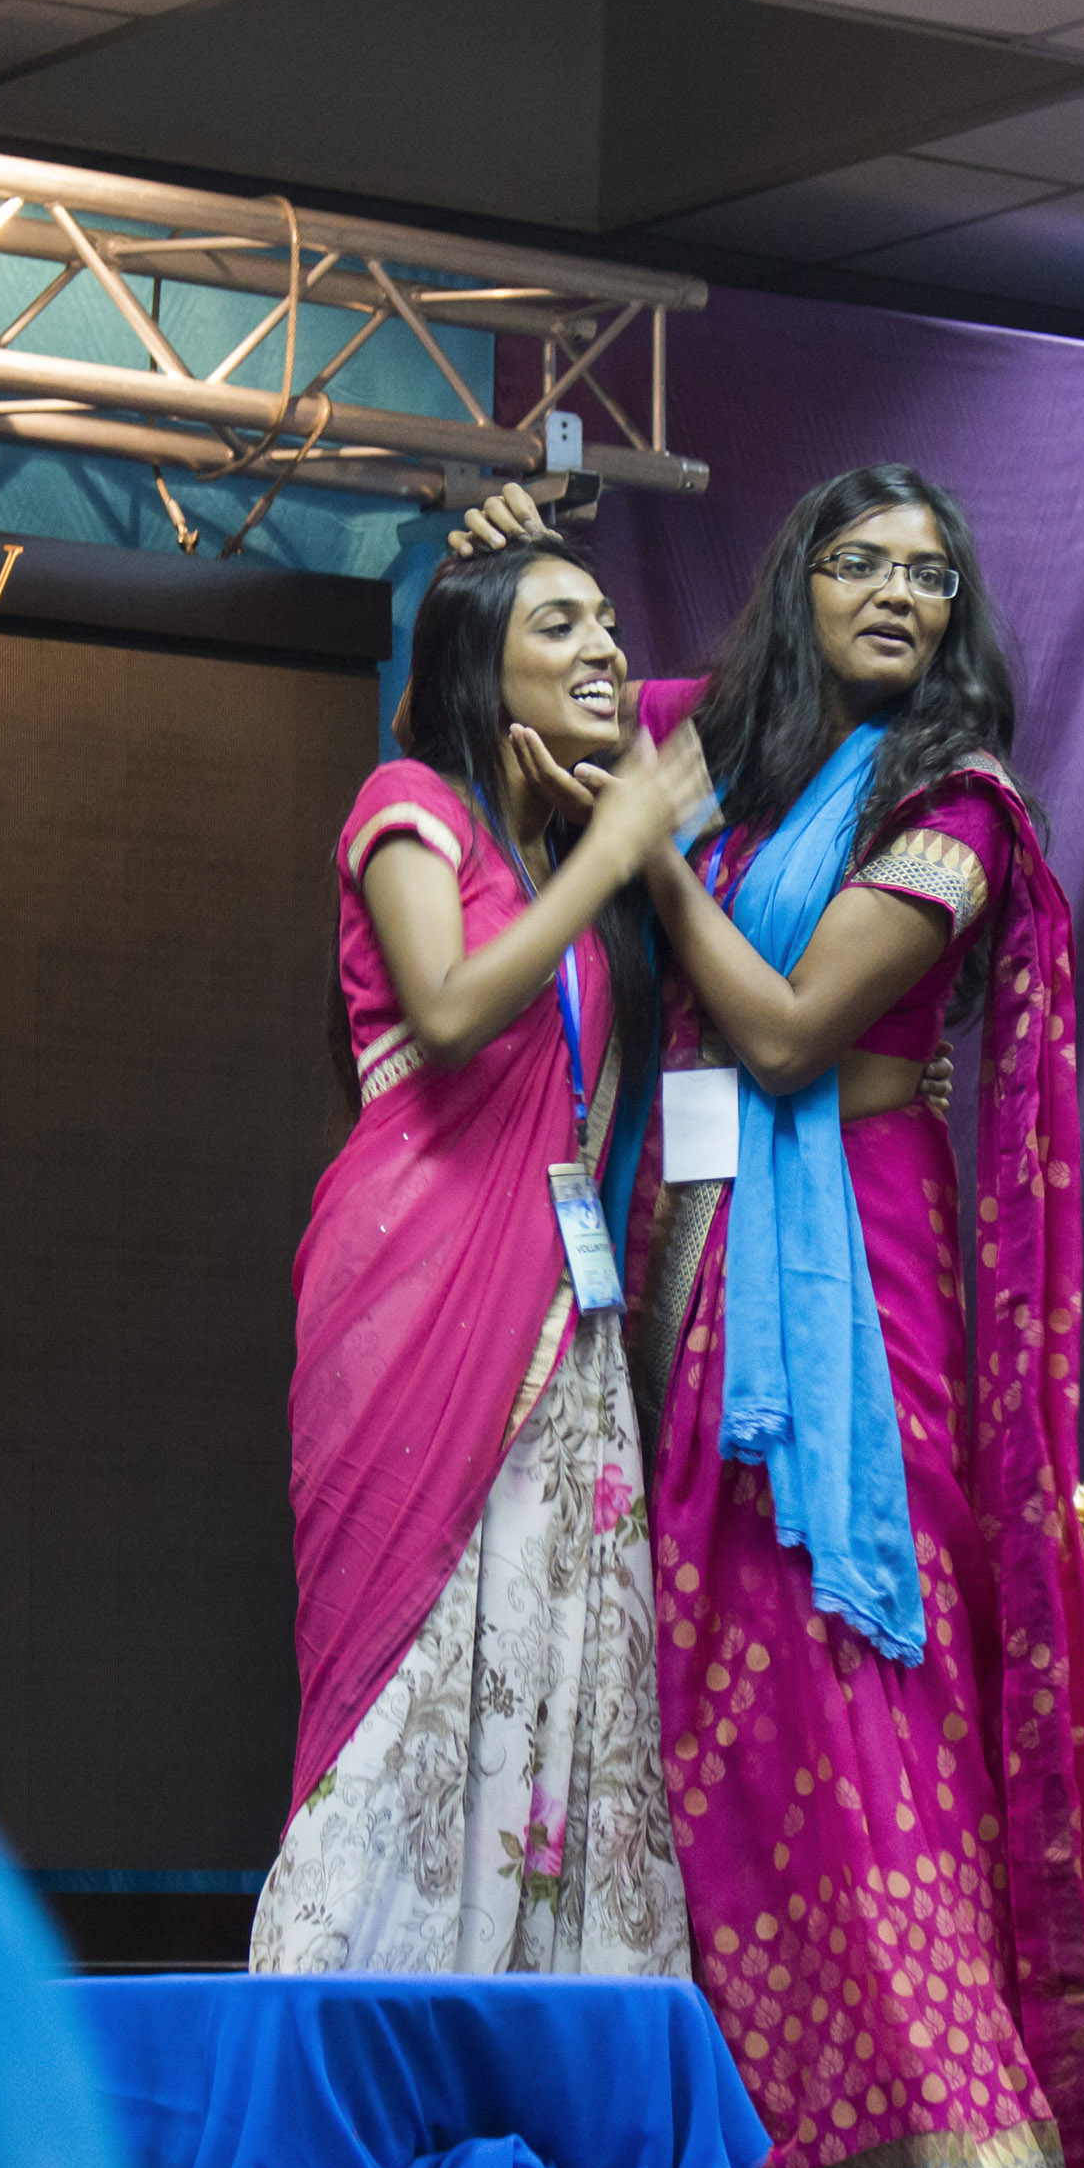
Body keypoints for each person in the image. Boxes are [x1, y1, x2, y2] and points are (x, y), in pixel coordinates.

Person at [463, 469, 1084, 2168]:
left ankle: (921, 2103)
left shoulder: (958, 805)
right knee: (690, 1650)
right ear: (799, 582)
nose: (897, 593)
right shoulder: (723, 741)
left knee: (838, 1628)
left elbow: (795, 1032)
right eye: (861, 561)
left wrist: (649, 853)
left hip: (859, 1257)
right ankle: (716, 2092)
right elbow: (544, 688)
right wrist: (495, 559)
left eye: (931, 576)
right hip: (681, 1234)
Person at [251, 540, 708, 1977]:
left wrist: (611, 840)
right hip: (415, 1279)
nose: (604, 648)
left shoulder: (569, 849)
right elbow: (446, 1011)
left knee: (560, 1650)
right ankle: (355, 2007)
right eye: (559, 624)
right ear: (477, 666)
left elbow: (725, 720)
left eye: (611, 621)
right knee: (411, 1654)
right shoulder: (411, 804)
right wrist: (617, 851)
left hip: (564, 1315)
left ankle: (535, 2025)